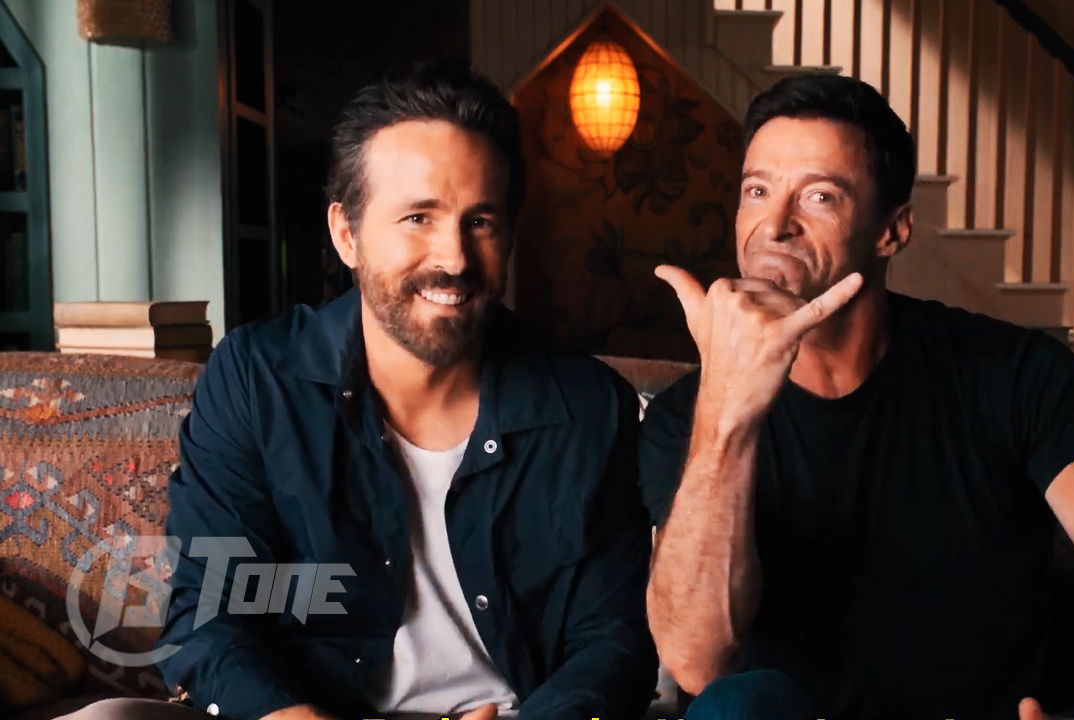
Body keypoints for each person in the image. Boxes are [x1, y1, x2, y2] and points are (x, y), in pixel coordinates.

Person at [63, 61, 657, 720]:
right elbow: (207, 614)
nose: (454, 258)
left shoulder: (590, 406)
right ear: (346, 234)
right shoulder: (257, 379)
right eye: (419, 217)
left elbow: (614, 641)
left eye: (481, 222)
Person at [639, 74, 1074, 720]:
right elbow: (697, 659)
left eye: (819, 196)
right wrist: (728, 408)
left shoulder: (1014, 373)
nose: (775, 225)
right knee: (734, 705)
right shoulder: (685, 417)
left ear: (892, 230)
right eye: (757, 191)